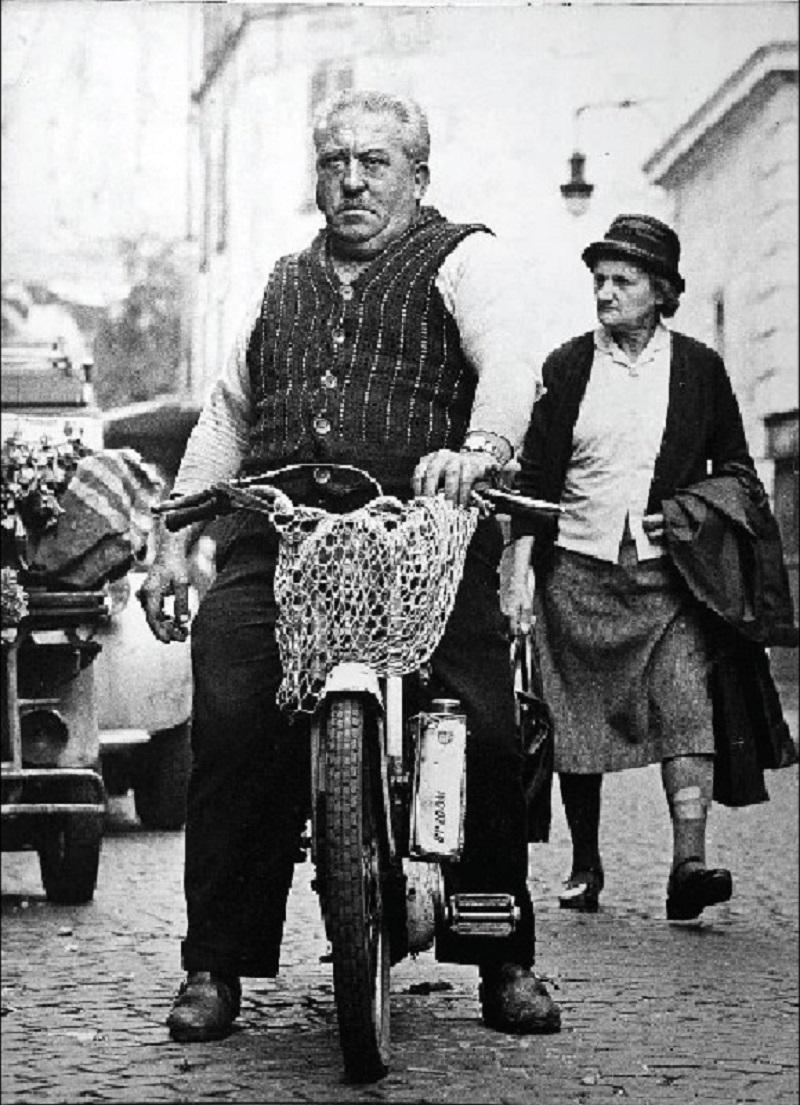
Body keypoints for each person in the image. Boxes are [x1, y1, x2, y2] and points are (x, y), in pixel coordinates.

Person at [139, 90, 561, 1043]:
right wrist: (175, 532)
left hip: (423, 531)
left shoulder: (463, 259)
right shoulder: (282, 281)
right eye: (336, 162)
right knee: (234, 712)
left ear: (419, 176)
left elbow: (510, 365)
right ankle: (216, 963)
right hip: (282, 534)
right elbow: (227, 419)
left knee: (486, 726)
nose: (354, 179)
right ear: (316, 175)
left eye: (377, 161)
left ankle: (502, 952)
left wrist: (479, 449)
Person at [511, 213, 791, 920]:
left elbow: (737, 468)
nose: (605, 292)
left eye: (622, 280)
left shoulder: (698, 367)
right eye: (599, 280)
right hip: (575, 569)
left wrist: (694, 508)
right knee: (576, 721)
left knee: (686, 707)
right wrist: (520, 563)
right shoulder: (568, 365)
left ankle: (687, 863)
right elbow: (538, 476)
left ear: (661, 291)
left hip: (669, 578)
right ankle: (585, 862)